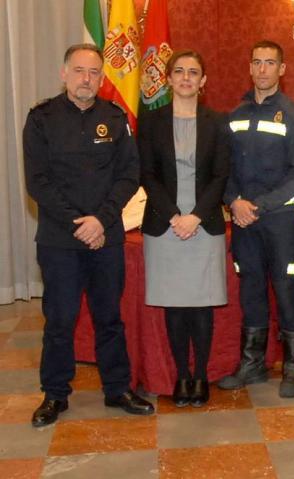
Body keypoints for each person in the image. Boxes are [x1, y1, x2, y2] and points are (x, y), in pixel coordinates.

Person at [23, 43, 154, 427]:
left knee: (109, 317)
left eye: (94, 72)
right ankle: (55, 394)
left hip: (106, 237)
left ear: (102, 77)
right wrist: (81, 224)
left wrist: (101, 220)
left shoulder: (114, 118)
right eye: (79, 70)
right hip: (60, 240)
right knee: (60, 319)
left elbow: (130, 174)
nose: (86, 78)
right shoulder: (41, 119)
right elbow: (38, 183)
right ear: (64, 73)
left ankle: (117, 388)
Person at [218, 40, 294, 398]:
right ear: (250, 67)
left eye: (270, 63)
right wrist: (233, 202)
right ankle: (252, 363)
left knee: (287, 290)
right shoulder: (236, 115)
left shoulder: (293, 116)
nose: (262, 70)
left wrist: (260, 205)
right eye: (256, 62)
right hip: (244, 221)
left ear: (282, 69)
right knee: (251, 290)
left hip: (279, 220)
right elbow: (224, 170)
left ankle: (292, 366)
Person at [138, 50, 230, 408]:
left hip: (203, 225)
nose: (186, 78)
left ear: (203, 81)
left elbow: (222, 175)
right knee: (176, 306)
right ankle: (181, 375)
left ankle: (201, 375)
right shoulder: (151, 121)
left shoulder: (217, 122)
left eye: (194, 72)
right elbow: (147, 174)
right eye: (179, 71)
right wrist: (175, 215)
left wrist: (195, 216)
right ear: (168, 78)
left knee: (202, 305)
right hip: (165, 225)